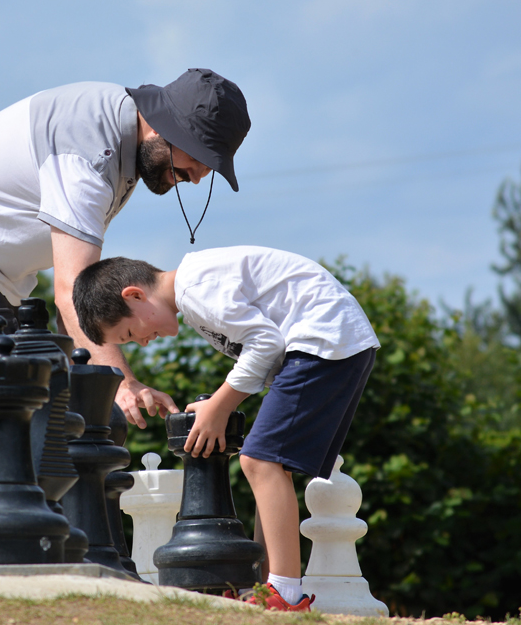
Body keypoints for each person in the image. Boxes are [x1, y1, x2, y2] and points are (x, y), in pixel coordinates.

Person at [0, 69, 251, 431]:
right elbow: (74, 293)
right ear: (160, 126)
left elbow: (78, 295)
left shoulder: (123, 132)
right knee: (3, 415)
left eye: (211, 166)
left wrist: (92, 372)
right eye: (198, 158)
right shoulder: (90, 156)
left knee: (51, 410)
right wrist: (120, 382)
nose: (201, 176)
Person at [72, 247, 380, 611]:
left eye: (128, 332)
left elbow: (266, 342)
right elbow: (263, 351)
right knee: (269, 465)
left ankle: (285, 593)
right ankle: (273, 587)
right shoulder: (193, 296)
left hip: (322, 340)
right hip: (332, 341)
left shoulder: (195, 288)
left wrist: (219, 406)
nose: (141, 342)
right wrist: (218, 404)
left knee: (259, 462)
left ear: (135, 295)